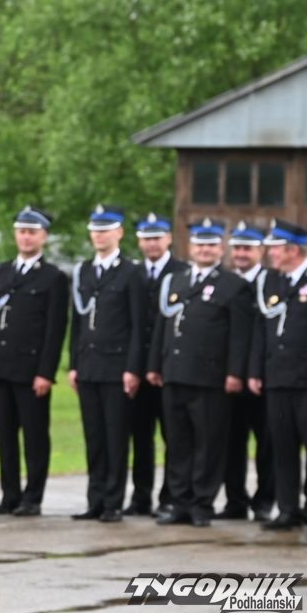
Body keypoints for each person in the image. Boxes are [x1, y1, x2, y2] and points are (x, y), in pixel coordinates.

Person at [147, 218, 252, 528]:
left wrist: (235, 373)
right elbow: (163, 326)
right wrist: (154, 365)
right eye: (199, 244)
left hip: (210, 378)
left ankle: (201, 503)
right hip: (174, 373)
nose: (204, 250)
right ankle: (179, 501)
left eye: (211, 245)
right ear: (190, 247)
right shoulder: (176, 282)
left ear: (221, 248)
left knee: (208, 443)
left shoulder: (233, 285)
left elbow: (239, 336)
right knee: (177, 442)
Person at [0, 207, 68, 517]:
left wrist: (46, 372)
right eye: (21, 231)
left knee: (34, 436)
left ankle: (33, 497)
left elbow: (55, 330)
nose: (26, 237)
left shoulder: (52, 277)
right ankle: (9, 495)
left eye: (32, 232)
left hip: (31, 371)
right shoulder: (2, 272)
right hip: (1, 366)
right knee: (5, 437)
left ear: (44, 237)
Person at [68, 204, 145, 523]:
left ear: (119, 233)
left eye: (105, 230)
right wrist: (73, 363)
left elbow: (138, 324)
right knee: (95, 438)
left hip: (116, 367)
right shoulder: (84, 271)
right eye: (95, 231)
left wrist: (133, 367)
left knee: (115, 438)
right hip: (88, 365)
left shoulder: (130, 272)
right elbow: (77, 322)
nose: (99, 236)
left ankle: (113, 501)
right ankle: (95, 500)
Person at [249, 219, 307, 530]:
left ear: (292, 250)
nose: (270, 253)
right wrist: (256, 370)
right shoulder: (270, 281)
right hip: (278, 378)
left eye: (275, 248)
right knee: (283, 447)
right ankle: (288, 509)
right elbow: (261, 330)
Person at [126, 212, 184, 517]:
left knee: (174, 437)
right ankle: (141, 496)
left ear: (169, 239)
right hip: (138, 370)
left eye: (157, 238)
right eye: (147, 239)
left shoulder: (182, 272)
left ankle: (171, 496)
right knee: (140, 437)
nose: (152, 244)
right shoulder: (133, 274)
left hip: (168, 369)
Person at [218, 221, 274, 522]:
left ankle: (264, 501)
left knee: (267, 444)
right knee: (231, 443)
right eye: (237, 248)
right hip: (229, 378)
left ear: (260, 251)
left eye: (247, 248)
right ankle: (235, 500)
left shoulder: (272, 282)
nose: (240, 253)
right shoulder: (224, 283)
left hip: (263, 380)